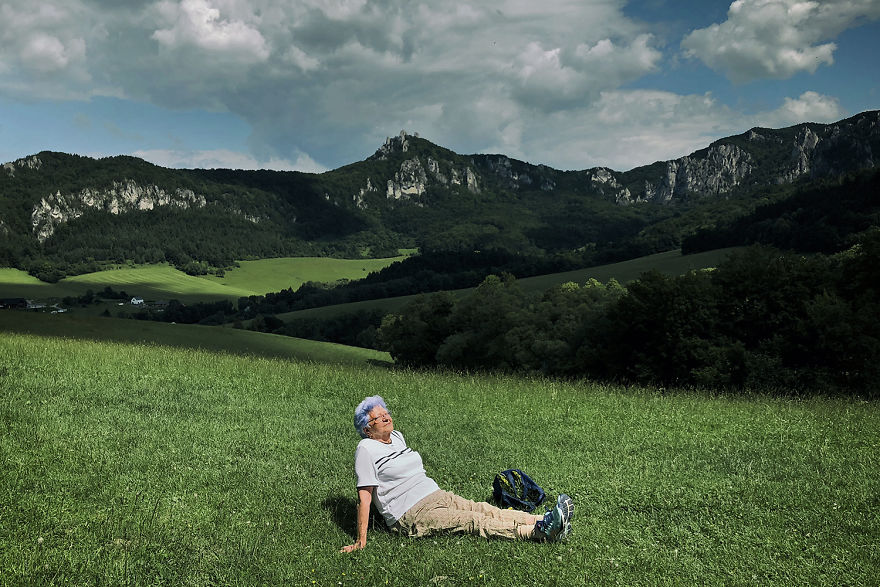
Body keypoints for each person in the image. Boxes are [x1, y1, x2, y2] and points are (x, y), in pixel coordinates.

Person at [340, 395, 574, 553]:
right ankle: (537, 532)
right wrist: (361, 540)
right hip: (410, 513)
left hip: (435, 494)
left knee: (483, 508)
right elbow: (365, 497)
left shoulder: (398, 436)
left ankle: (546, 520)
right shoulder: (366, 449)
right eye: (377, 417)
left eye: (386, 412)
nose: (385, 417)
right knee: (472, 521)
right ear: (366, 429)